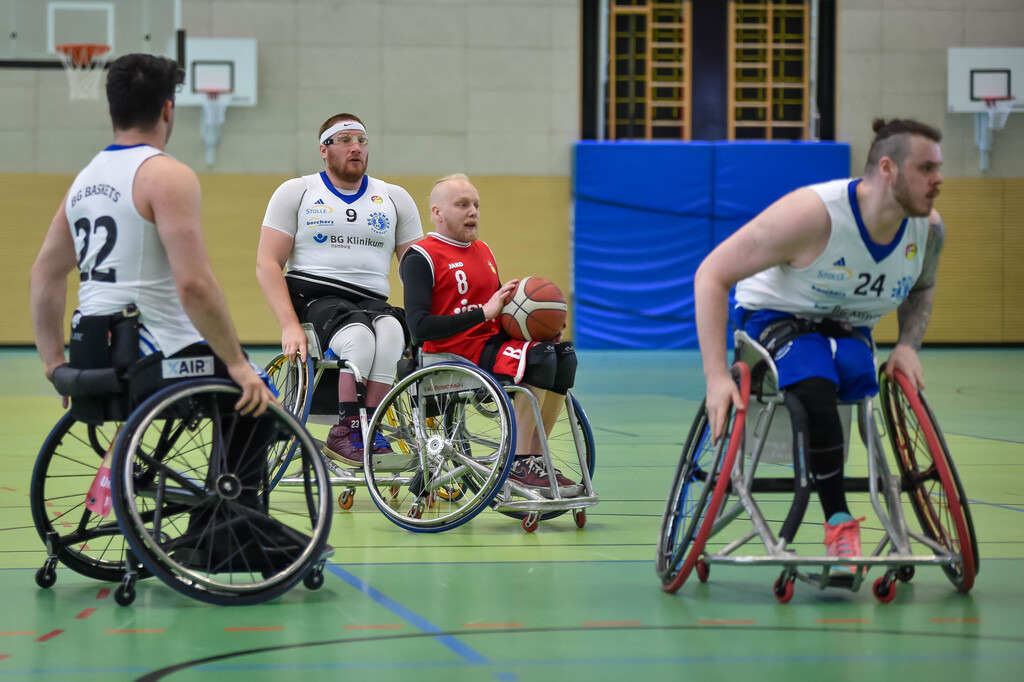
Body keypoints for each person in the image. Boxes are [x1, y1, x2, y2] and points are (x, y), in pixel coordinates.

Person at [694, 118, 946, 566]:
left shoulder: (927, 229)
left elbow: (923, 286)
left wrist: (908, 344)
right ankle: (838, 520)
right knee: (813, 378)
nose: (938, 180)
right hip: (774, 316)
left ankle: (854, 507)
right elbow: (711, 275)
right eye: (926, 168)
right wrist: (716, 377)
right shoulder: (812, 214)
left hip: (847, 325)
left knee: (856, 373)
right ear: (888, 169)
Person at [30, 53, 275, 417]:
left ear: (113, 108)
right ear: (167, 109)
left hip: (91, 350)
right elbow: (193, 284)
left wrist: (55, 364)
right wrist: (237, 363)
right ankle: (235, 478)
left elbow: (44, 275)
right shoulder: (166, 175)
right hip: (148, 351)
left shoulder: (84, 181)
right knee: (260, 395)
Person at [257, 113, 423, 466]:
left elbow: (416, 271)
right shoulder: (297, 192)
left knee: (394, 331)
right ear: (324, 149)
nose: (356, 148)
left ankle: (370, 425)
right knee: (359, 337)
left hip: (370, 301)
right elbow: (268, 264)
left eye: (362, 141)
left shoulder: (394, 198)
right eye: (345, 140)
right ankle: (345, 429)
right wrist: (288, 325)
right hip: (314, 297)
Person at [400, 174, 581, 498]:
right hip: (450, 353)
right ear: (437, 212)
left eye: (476, 205)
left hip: (489, 345)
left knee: (562, 355)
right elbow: (418, 328)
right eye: (463, 205)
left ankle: (535, 459)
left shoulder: (483, 250)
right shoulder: (421, 256)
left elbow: (502, 315)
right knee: (537, 359)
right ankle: (520, 461)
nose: (473, 212)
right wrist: (482, 313)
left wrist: (542, 326)